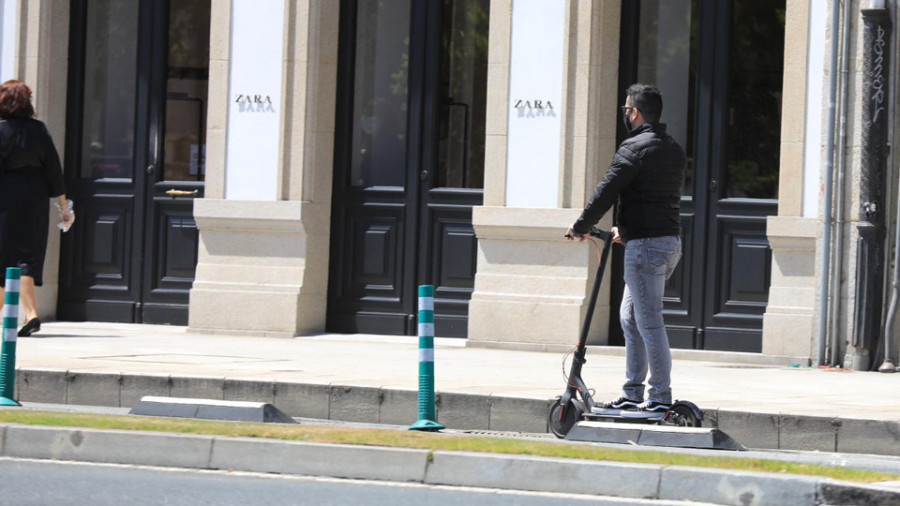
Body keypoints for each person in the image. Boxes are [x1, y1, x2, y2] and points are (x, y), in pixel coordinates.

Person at [566, 83, 686, 416]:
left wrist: (579, 226)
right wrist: (627, 229)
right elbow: (656, 198)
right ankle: (633, 393)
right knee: (630, 317)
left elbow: (606, 192)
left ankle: (660, 397)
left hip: (646, 247)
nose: (625, 114)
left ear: (634, 112)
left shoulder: (633, 148)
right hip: (667, 242)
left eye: (626, 109)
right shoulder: (673, 149)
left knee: (648, 321)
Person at [0, 80, 72, 337]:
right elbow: (54, 169)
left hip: (6, 197)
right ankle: (31, 314)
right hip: (35, 196)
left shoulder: (1, 130)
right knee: (26, 256)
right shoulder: (39, 130)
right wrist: (64, 207)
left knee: (4, 256)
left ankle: (28, 315)